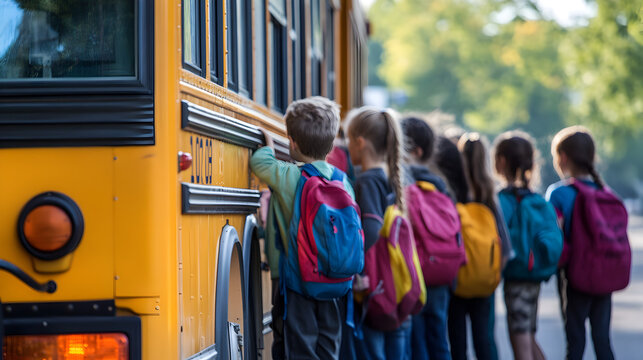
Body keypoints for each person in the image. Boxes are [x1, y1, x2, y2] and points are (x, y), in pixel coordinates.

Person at [250, 96, 354, 360]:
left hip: (296, 283)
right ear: (331, 144)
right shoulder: (343, 182)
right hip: (335, 282)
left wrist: (268, 143)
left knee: (297, 345)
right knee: (327, 343)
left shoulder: (291, 177)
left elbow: (259, 164)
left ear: (292, 143)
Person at [436, 133, 512, 360]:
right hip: (485, 283)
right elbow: (505, 247)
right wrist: (492, 273)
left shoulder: (451, 194)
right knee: (485, 340)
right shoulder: (488, 195)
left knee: (456, 340)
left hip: (457, 281)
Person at [546, 126, 619, 360]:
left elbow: (552, 236)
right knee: (602, 340)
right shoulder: (606, 192)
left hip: (574, 276)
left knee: (575, 342)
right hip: (604, 275)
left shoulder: (558, 194)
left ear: (563, 157)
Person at [346, 107, 410, 360]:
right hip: (392, 281)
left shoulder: (367, 180)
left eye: (348, 139)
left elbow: (371, 228)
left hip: (374, 285)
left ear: (360, 143)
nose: (346, 146)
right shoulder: (388, 175)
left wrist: (355, 265)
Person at [493, 131, 551, 360]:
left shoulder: (501, 200)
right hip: (534, 277)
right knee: (528, 335)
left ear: (502, 162)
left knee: (521, 344)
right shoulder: (537, 201)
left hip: (515, 277)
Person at [401, 117, 454, 360]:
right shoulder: (440, 184)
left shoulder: (402, 181)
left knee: (417, 341)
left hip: (416, 271)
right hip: (441, 272)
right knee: (439, 338)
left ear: (414, 150)